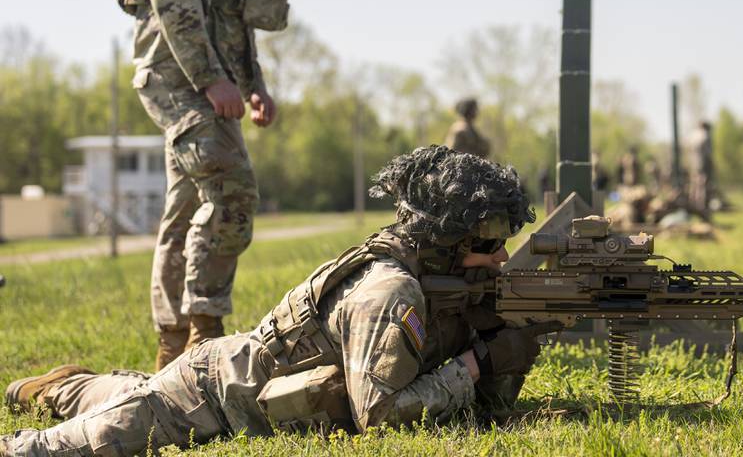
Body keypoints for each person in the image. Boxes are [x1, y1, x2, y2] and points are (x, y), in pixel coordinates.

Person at [2, 147, 559, 456]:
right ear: (450, 241)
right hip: (213, 396)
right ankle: (50, 400)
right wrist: (478, 361)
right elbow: (383, 418)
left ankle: (60, 385)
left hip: (234, 376)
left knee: (128, 392)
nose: (501, 257)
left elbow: (476, 398)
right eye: (488, 244)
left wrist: (501, 341)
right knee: (57, 449)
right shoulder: (390, 292)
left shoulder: (435, 280)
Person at [117, 0, 291, 369]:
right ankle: (204, 330)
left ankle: (172, 346)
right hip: (177, 75)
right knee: (231, 189)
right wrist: (211, 80)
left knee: (188, 201)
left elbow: (233, 11)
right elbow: (175, 3)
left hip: (213, 77)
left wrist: (252, 82)